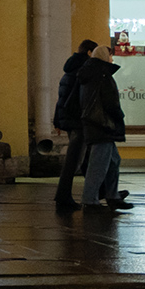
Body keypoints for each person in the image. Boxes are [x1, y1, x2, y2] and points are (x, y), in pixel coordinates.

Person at [76, 43, 130, 212]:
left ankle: (112, 195)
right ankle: (90, 199)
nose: (112, 59)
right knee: (99, 164)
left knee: (113, 160)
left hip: (95, 124)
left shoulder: (90, 74)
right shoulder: (102, 75)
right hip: (102, 124)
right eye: (110, 55)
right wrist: (118, 117)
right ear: (105, 57)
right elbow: (109, 102)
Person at [52, 39, 100, 212]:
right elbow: (78, 99)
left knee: (84, 158)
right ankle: (63, 195)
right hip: (78, 120)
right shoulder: (83, 71)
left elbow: (61, 99)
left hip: (70, 119)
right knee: (75, 160)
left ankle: (101, 191)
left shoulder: (70, 70)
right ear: (89, 53)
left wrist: (58, 120)